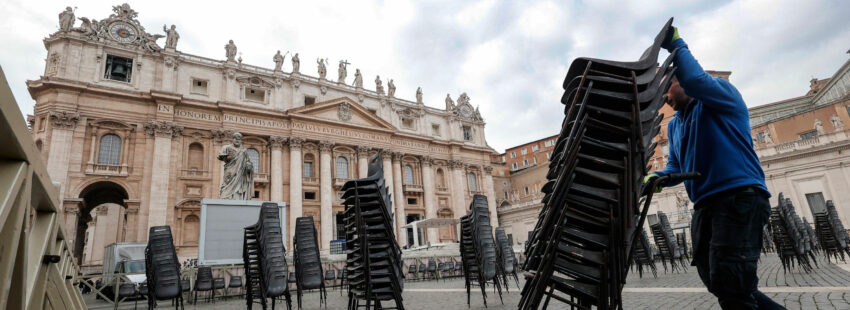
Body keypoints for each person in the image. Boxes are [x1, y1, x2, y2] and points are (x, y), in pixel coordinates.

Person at [644, 26, 784, 310]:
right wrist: (654, 177)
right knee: (717, 280)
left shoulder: (721, 96)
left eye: (665, 88)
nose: (663, 99)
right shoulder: (675, 126)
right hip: (706, 205)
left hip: (738, 197)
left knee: (731, 280)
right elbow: (675, 167)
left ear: (679, 79)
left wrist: (676, 44)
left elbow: (696, 80)